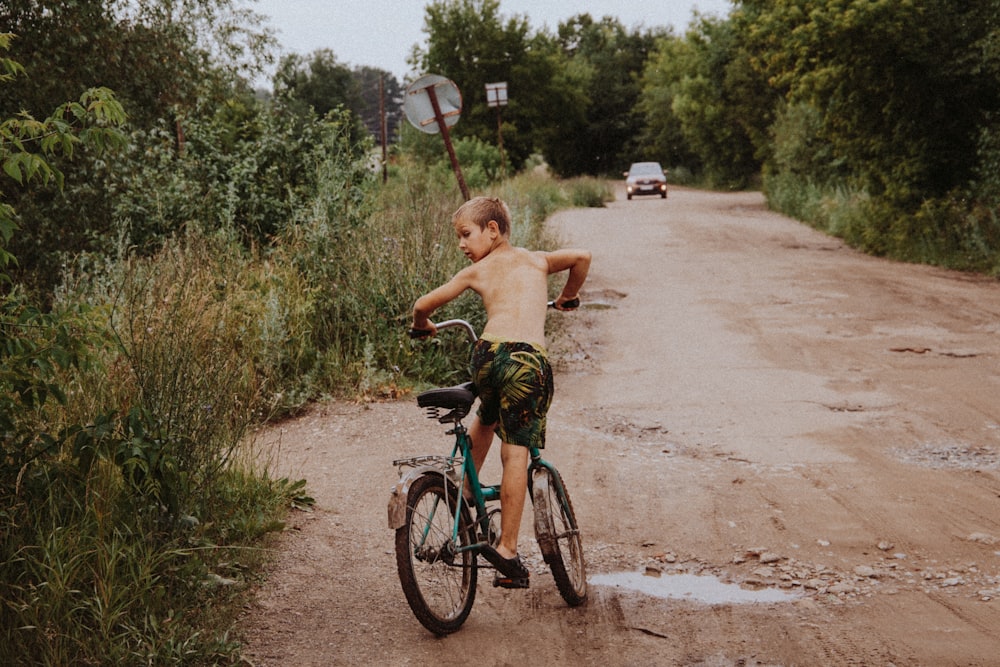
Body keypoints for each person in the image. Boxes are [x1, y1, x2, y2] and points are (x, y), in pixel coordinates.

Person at [411, 196, 591, 589]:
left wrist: (422, 324)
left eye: (466, 235)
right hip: (526, 362)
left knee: (487, 417)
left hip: (486, 356)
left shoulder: (477, 271)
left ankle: (465, 494)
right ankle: (507, 549)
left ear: (492, 230)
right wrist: (566, 297)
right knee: (515, 452)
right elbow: (582, 257)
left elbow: (423, 305)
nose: (462, 245)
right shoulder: (537, 260)